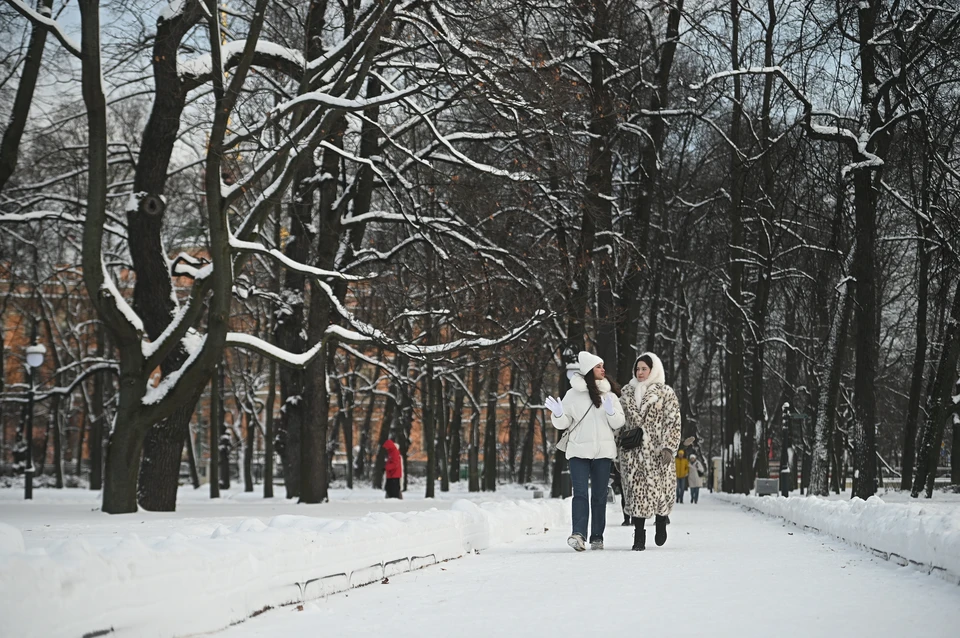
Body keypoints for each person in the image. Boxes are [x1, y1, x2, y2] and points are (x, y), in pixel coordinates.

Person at [545, 351, 624, 551]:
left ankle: (597, 536)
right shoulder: (572, 395)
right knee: (579, 494)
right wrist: (558, 414)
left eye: (603, 366)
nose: (603, 370)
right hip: (578, 452)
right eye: (599, 367)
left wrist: (611, 411)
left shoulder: (610, 394)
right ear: (589, 370)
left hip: (603, 453)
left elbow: (619, 423)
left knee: (598, 495)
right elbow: (563, 423)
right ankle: (578, 534)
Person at [617, 352, 682, 551]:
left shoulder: (665, 393)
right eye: (638, 369)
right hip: (632, 453)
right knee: (636, 493)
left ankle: (661, 520)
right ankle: (638, 536)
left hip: (657, 454)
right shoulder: (626, 393)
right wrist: (617, 449)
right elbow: (619, 424)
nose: (640, 372)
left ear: (653, 370)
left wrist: (669, 448)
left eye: (644, 368)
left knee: (661, 491)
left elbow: (673, 422)